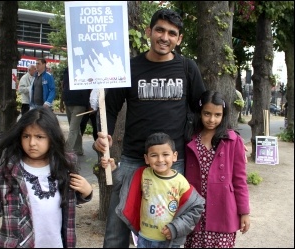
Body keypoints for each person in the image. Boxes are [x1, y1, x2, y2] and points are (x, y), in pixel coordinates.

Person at [93, 8, 206, 248]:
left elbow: (201, 108)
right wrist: (104, 135)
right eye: (160, 30)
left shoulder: (187, 68)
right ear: (149, 31)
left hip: (172, 162)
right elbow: (110, 109)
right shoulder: (128, 68)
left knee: (168, 231)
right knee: (116, 230)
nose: (165, 37)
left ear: (179, 39)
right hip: (133, 160)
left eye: (172, 33)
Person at [0, 107, 93, 248]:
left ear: (52, 138)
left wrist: (87, 191)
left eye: (39, 137)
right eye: (26, 136)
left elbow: (67, 201)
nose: (32, 143)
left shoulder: (64, 165)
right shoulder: (10, 169)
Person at [101, 132, 205, 248]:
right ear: (146, 158)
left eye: (165, 154)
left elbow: (196, 208)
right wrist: (114, 169)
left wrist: (175, 228)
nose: (160, 159)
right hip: (143, 239)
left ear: (174, 156)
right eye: (154, 155)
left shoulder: (181, 182)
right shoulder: (142, 174)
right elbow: (123, 187)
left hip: (168, 242)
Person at [184, 90, 250, 248]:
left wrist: (245, 212)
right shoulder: (190, 138)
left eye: (217, 115)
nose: (211, 119)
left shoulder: (233, 140)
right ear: (200, 112)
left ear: (223, 115)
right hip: (196, 210)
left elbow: (239, 180)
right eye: (207, 113)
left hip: (223, 210)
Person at [62, 67, 91, 156]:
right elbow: (63, 85)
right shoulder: (66, 70)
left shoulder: (85, 68)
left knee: (73, 129)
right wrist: (62, 101)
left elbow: (89, 86)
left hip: (80, 103)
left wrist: (89, 104)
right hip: (69, 102)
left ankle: (66, 151)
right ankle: (78, 149)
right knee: (75, 128)